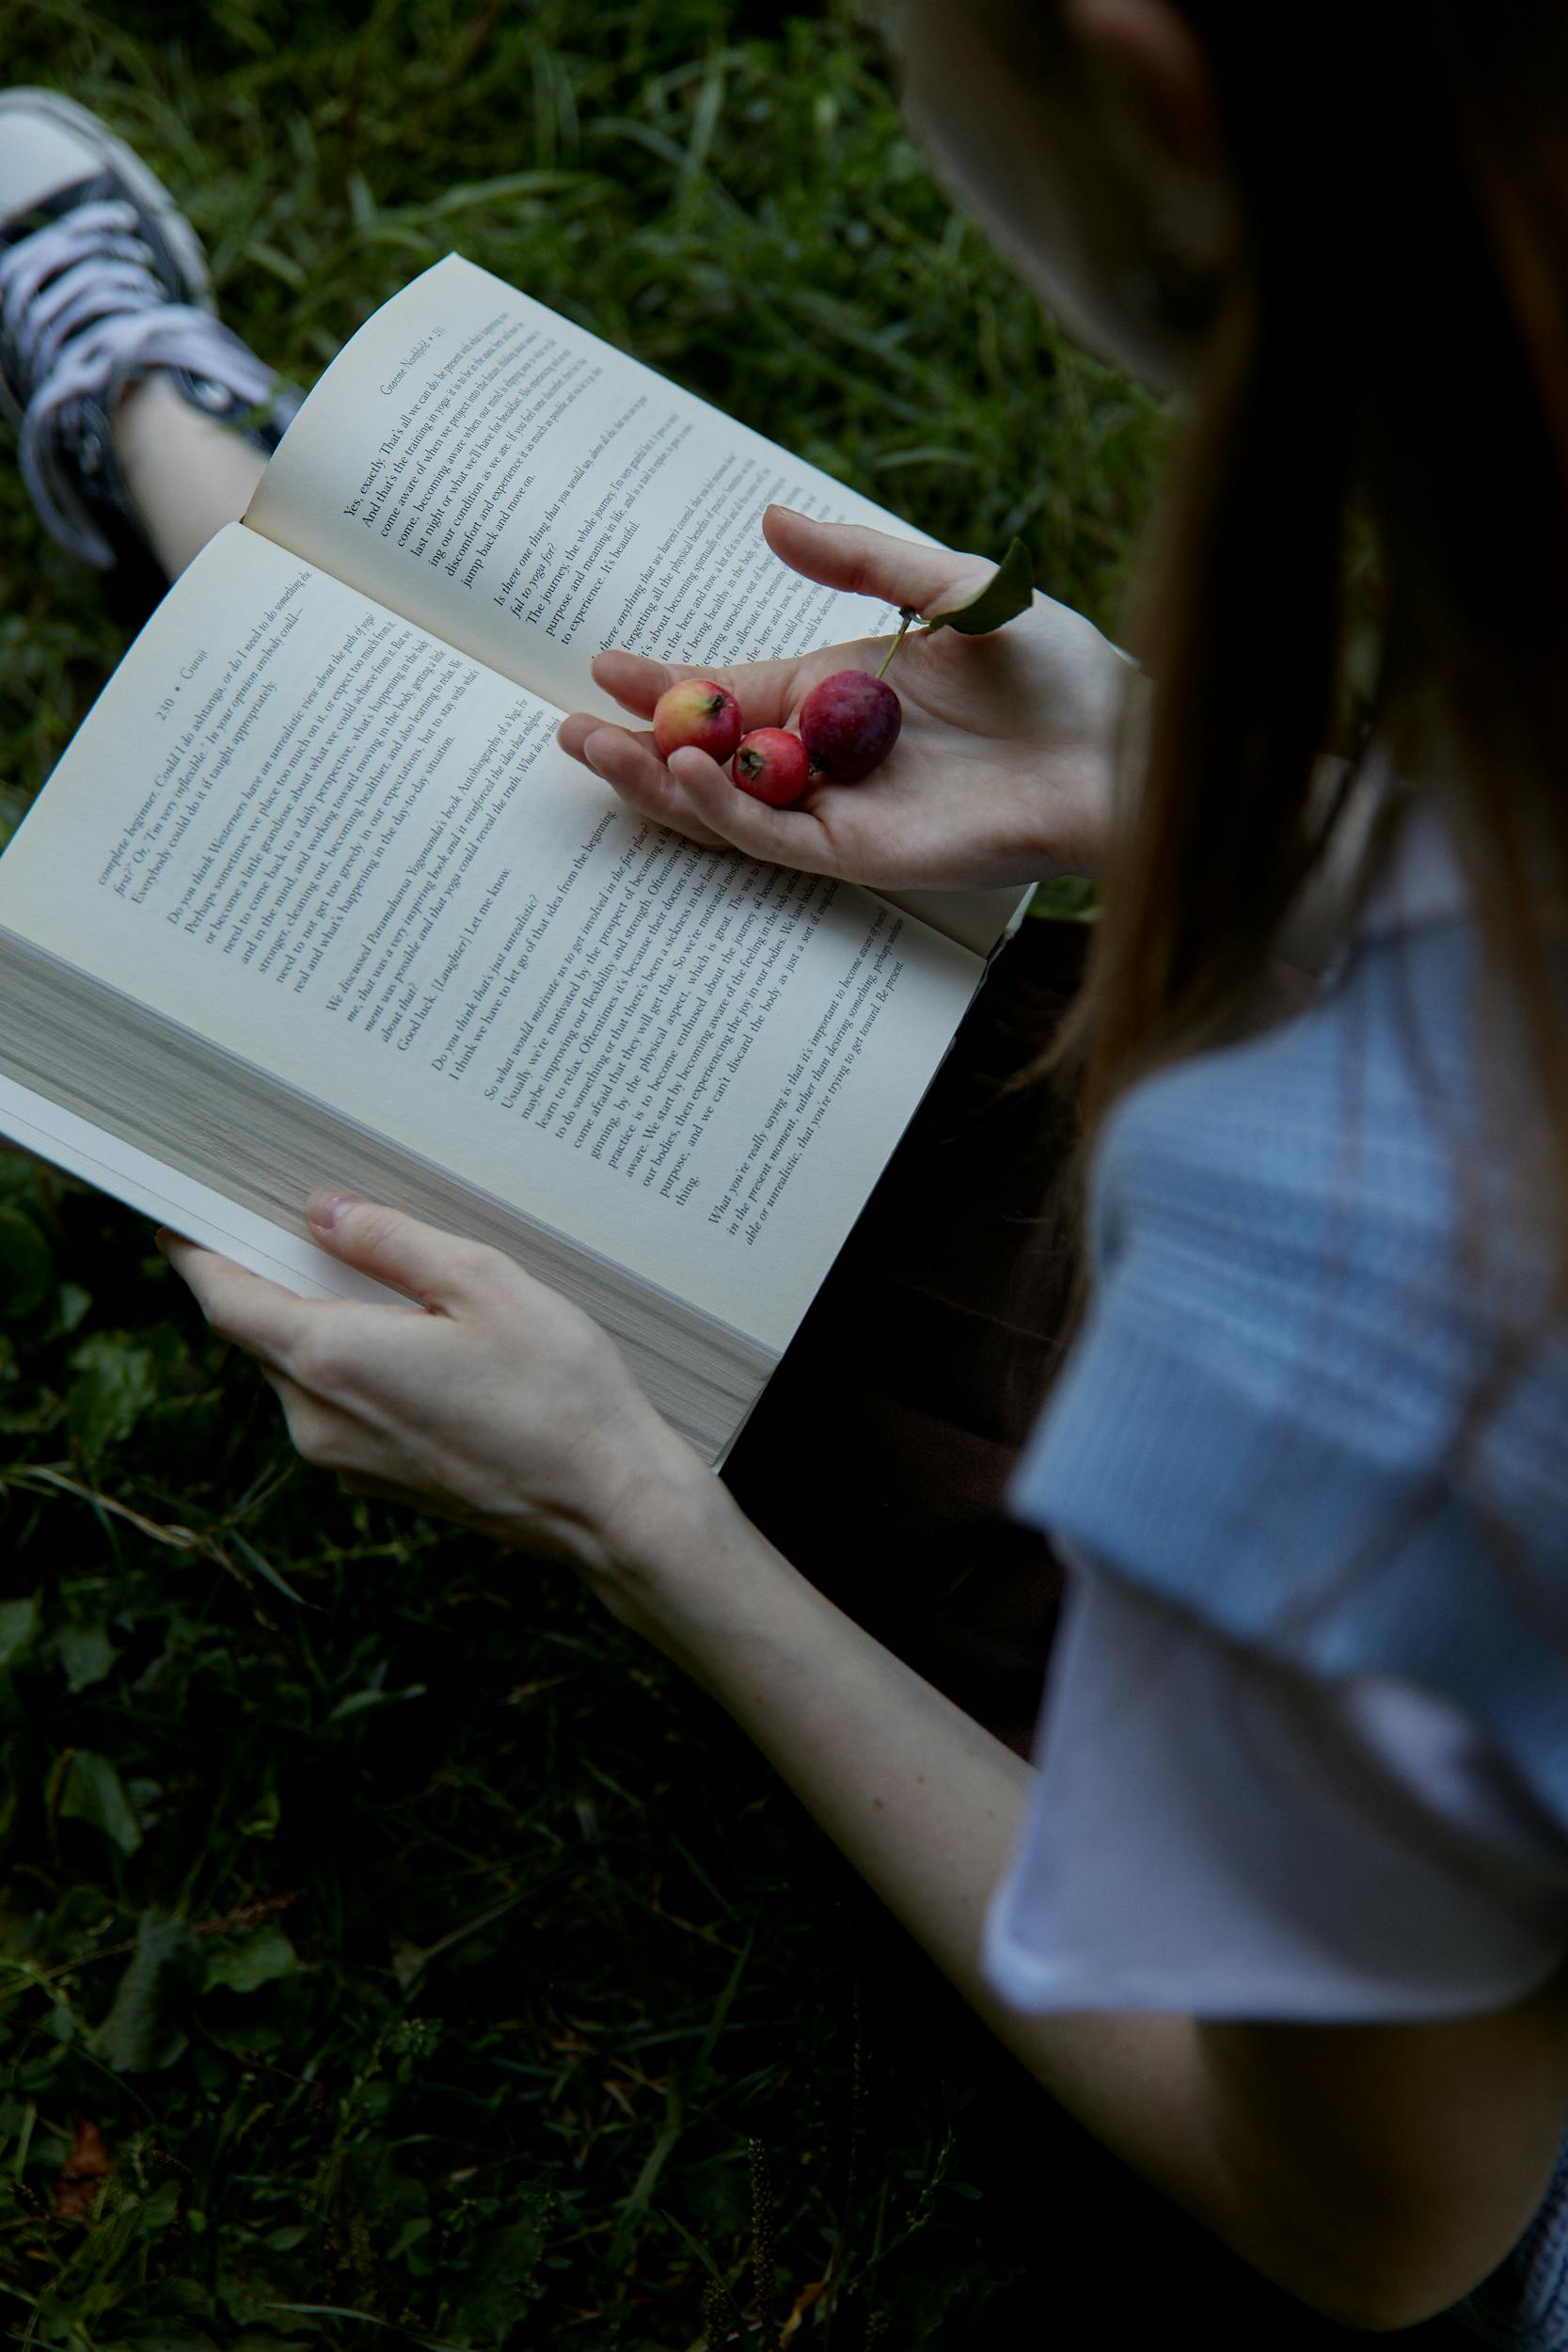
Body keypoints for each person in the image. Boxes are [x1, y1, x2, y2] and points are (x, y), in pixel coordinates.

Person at [4, 0, 1568, 2335]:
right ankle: (182, 487)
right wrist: (1181, 784)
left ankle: (163, 465)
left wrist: (632, 1519)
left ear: (1142, 90)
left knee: (732, 1270)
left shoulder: (1329, 1312)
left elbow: (1392, 2222)